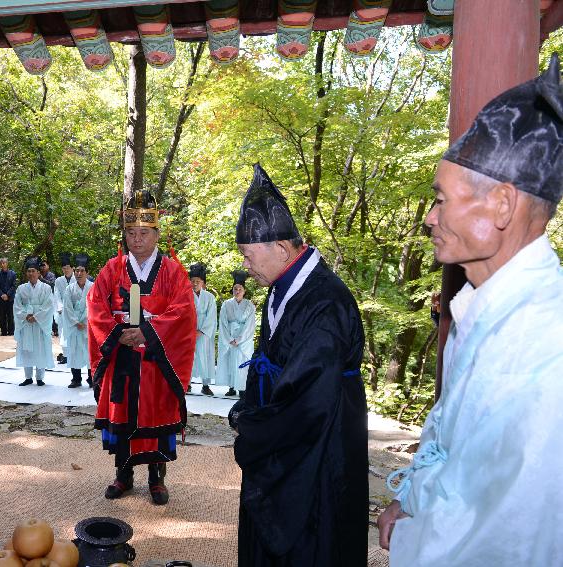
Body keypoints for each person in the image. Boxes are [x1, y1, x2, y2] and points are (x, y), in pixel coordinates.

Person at [377, 55, 563, 566]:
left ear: (502, 205)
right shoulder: (485, 311)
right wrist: (408, 499)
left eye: (441, 199)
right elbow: (453, 446)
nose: (430, 218)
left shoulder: (545, 344)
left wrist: (418, 538)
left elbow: (509, 532)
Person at [229, 164, 368, 566]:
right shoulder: (282, 288)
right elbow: (266, 365)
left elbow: (307, 396)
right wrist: (248, 407)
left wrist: (253, 429)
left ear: (282, 249)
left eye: (248, 255)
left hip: (321, 441)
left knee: (312, 537)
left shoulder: (324, 301)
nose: (246, 265)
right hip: (286, 429)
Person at [87, 190, 196, 506]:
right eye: (131, 233)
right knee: (122, 417)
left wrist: (147, 331)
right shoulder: (113, 268)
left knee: (157, 417)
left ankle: (156, 479)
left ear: (156, 233)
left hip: (154, 360)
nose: (137, 239)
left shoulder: (173, 271)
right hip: (122, 357)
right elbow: (95, 305)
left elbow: (184, 312)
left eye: (144, 233)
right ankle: (123, 475)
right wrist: (118, 332)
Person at [14, 256, 54, 386]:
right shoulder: (21, 288)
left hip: (39, 323)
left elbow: (48, 306)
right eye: (29, 271)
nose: (31, 274)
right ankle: (28, 377)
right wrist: (26, 315)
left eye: (33, 271)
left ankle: (40, 377)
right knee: (27, 348)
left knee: (40, 348)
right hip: (26, 322)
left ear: (38, 273)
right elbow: (17, 305)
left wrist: (36, 316)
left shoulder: (46, 288)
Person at [215, 270, 255, 397]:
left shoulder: (249, 305)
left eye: (240, 289)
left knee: (242, 363)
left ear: (244, 291)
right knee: (230, 362)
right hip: (230, 337)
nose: (237, 291)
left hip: (243, 340)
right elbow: (223, 323)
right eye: (235, 289)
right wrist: (229, 339)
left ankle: (242, 388)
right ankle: (231, 387)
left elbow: (250, 325)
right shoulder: (226, 304)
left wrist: (239, 339)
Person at [62, 253, 93, 388]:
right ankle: (76, 378)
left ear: (87, 272)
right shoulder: (69, 289)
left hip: (88, 324)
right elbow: (67, 307)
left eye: (82, 271)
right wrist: (75, 322)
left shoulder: (93, 287)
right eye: (77, 270)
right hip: (74, 325)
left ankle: (92, 378)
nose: (79, 273)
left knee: (89, 351)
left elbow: (95, 306)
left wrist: (85, 321)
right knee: (74, 351)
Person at [189, 262, 216, 396]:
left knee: (205, 356)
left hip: (204, 332)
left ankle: (205, 385)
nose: (194, 283)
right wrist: (191, 330)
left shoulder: (210, 297)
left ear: (203, 283)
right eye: (192, 281)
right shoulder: (185, 295)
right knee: (189, 356)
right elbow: (184, 314)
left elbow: (211, 316)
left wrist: (202, 331)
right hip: (189, 331)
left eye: (198, 281)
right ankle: (187, 383)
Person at [54, 252, 75, 364]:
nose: (65, 270)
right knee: (63, 333)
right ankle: (66, 355)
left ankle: (75, 355)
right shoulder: (58, 281)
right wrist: (60, 307)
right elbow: (56, 295)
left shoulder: (77, 279)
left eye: (67, 268)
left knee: (75, 334)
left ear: (72, 268)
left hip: (75, 311)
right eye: (63, 268)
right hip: (62, 312)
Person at [0, 257, 17, 336]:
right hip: (1, 298)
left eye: (4, 263)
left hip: (10, 298)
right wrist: (2, 295)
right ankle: (3, 332)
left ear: (7, 263)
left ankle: (11, 332)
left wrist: (7, 294)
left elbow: (14, 286)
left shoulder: (13, 274)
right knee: (2, 316)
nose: (3, 264)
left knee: (10, 315)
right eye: (1, 263)